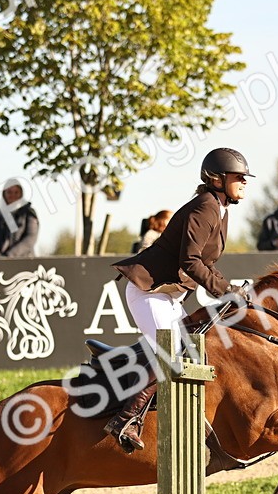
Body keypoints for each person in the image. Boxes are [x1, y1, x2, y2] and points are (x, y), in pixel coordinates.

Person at [105, 147, 253, 452]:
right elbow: (190, 261)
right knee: (170, 351)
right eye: (238, 177)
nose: (244, 182)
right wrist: (225, 290)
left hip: (168, 295)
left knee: (193, 352)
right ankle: (126, 418)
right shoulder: (206, 207)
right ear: (217, 179)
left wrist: (230, 288)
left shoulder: (220, 210)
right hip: (150, 291)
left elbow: (206, 264)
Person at [0, 179, 38, 257]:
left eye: (16, 192)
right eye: (9, 192)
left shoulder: (29, 213)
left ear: (21, 194)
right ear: (4, 194)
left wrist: (10, 255)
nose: (13, 195)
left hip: (24, 259)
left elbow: (30, 237)